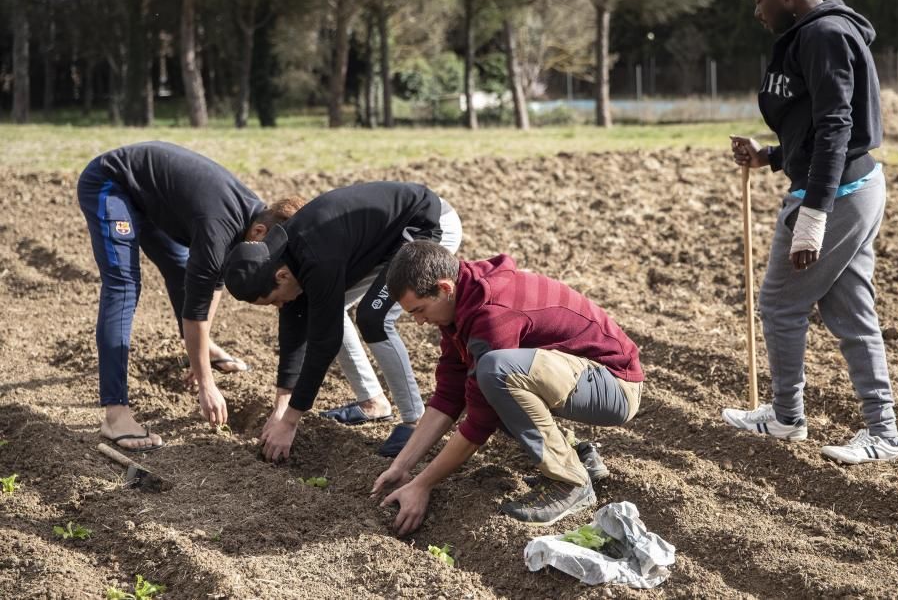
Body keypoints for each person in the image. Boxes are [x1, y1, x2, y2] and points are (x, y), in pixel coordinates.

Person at [723, 0, 898, 464]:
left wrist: (814, 215)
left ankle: (785, 418)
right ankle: (884, 432)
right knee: (851, 312)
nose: (757, 11)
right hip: (851, 185)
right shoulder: (815, 34)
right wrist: (770, 157)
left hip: (838, 194)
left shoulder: (824, 35)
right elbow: (815, 126)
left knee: (780, 303)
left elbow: (837, 129)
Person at [371, 241, 644, 534]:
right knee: (491, 381)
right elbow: (449, 394)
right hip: (578, 376)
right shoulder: (460, 305)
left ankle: (570, 482)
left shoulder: (492, 313)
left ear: (444, 288)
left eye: (420, 310)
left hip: (615, 384)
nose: (420, 321)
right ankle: (579, 457)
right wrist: (402, 466)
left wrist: (422, 485)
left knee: (495, 373)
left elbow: (479, 423)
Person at [223, 183, 463, 460]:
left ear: (281, 277)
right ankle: (373, 403)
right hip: (383, 243)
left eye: (274, 300)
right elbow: (293, 327)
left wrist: (290, 421)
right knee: (322, 310)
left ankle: (414, 421)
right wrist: (281, 406)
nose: (280, 306)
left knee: (373, 317)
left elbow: (325, 341)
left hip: (427, 224)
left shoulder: (314, 257)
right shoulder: (281, 257)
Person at [78, 141, 270, 450]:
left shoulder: (253, 219)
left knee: (181, 270)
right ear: (259, 234)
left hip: (144, 197)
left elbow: (212, 283)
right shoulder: (219, 227)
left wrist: (200, 349)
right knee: (123, 286)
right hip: (110, 183)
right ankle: (115, 415)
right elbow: (197, 306)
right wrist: (206, 384)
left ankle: (203, 346)